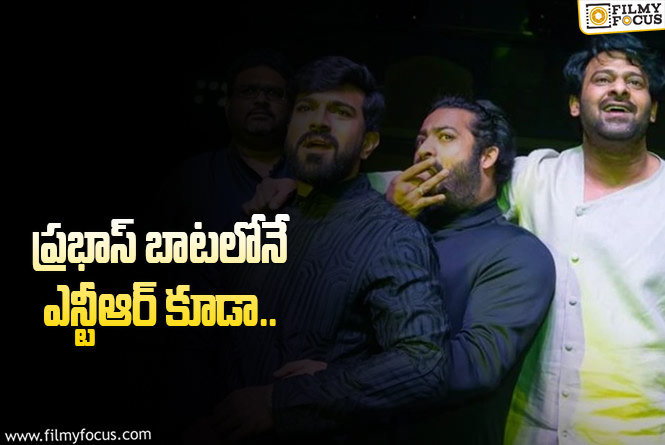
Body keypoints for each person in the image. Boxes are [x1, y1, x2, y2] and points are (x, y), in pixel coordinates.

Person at [386, 33, 665, 444]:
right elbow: (446, 176)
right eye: (603, 79)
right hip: (527, 432)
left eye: (635, 82)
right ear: (574, 104)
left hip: (639, 433)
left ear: (653, 110)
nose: (619, 88)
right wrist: (298, 187)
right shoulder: (536, 177)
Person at [182, 55, 450, 444]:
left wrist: (284, 401)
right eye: (306, 108)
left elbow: (423, 363)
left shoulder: (392, 235)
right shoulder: (263, 214)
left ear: (368, 144)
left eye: (340, 112)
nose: (318, 122)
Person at [373, 96, 555, 445]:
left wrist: (339, 376)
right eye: (421, 139)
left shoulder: (516, 251)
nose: (425, 150)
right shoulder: (400, 225)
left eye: (445, 137)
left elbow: (473, 367)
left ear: (487, 156)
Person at [156, 49, 294, 233]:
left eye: (274, 93)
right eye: (248, 91)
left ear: (290, 108)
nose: (261, 100)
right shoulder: (191, 177)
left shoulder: (312, 174)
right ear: (228, 106)